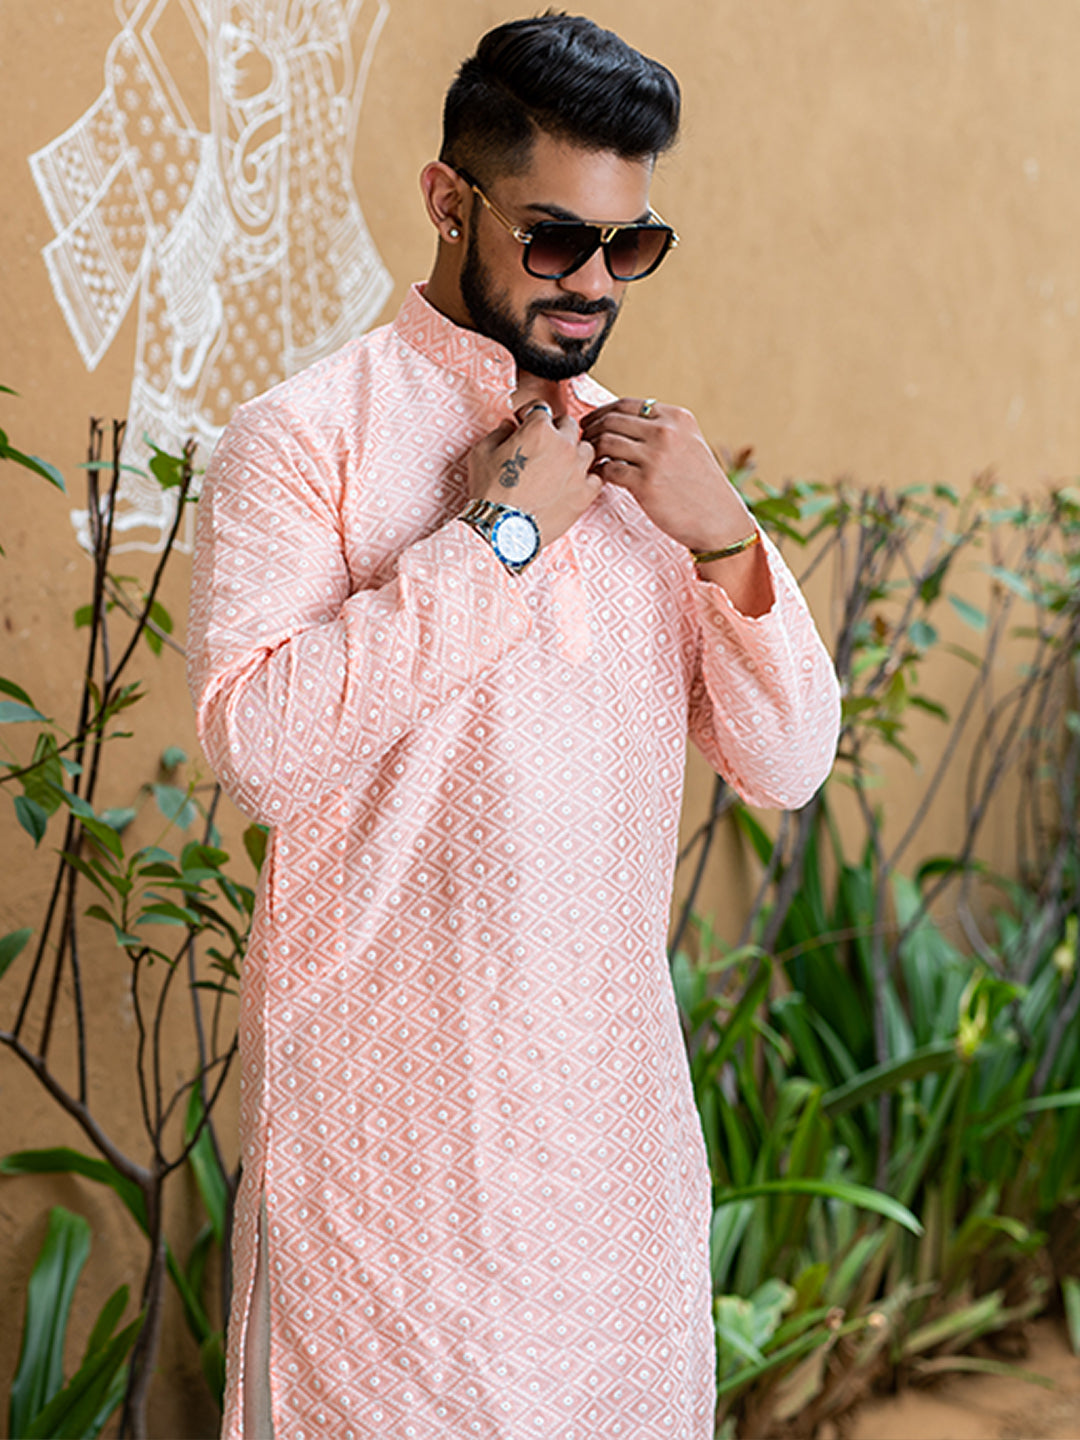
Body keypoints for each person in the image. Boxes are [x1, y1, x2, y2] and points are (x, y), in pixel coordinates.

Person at [187, 13, 841, 1438]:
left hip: (608, 1157)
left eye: (630, 245)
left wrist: (729, 542)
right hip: (386, 1172)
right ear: (449, 202)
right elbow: (260, 749)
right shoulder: (305, 440)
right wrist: (496, 540)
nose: (594, 282)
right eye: (555, 241)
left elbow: (788, 762)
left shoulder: (649, 475)